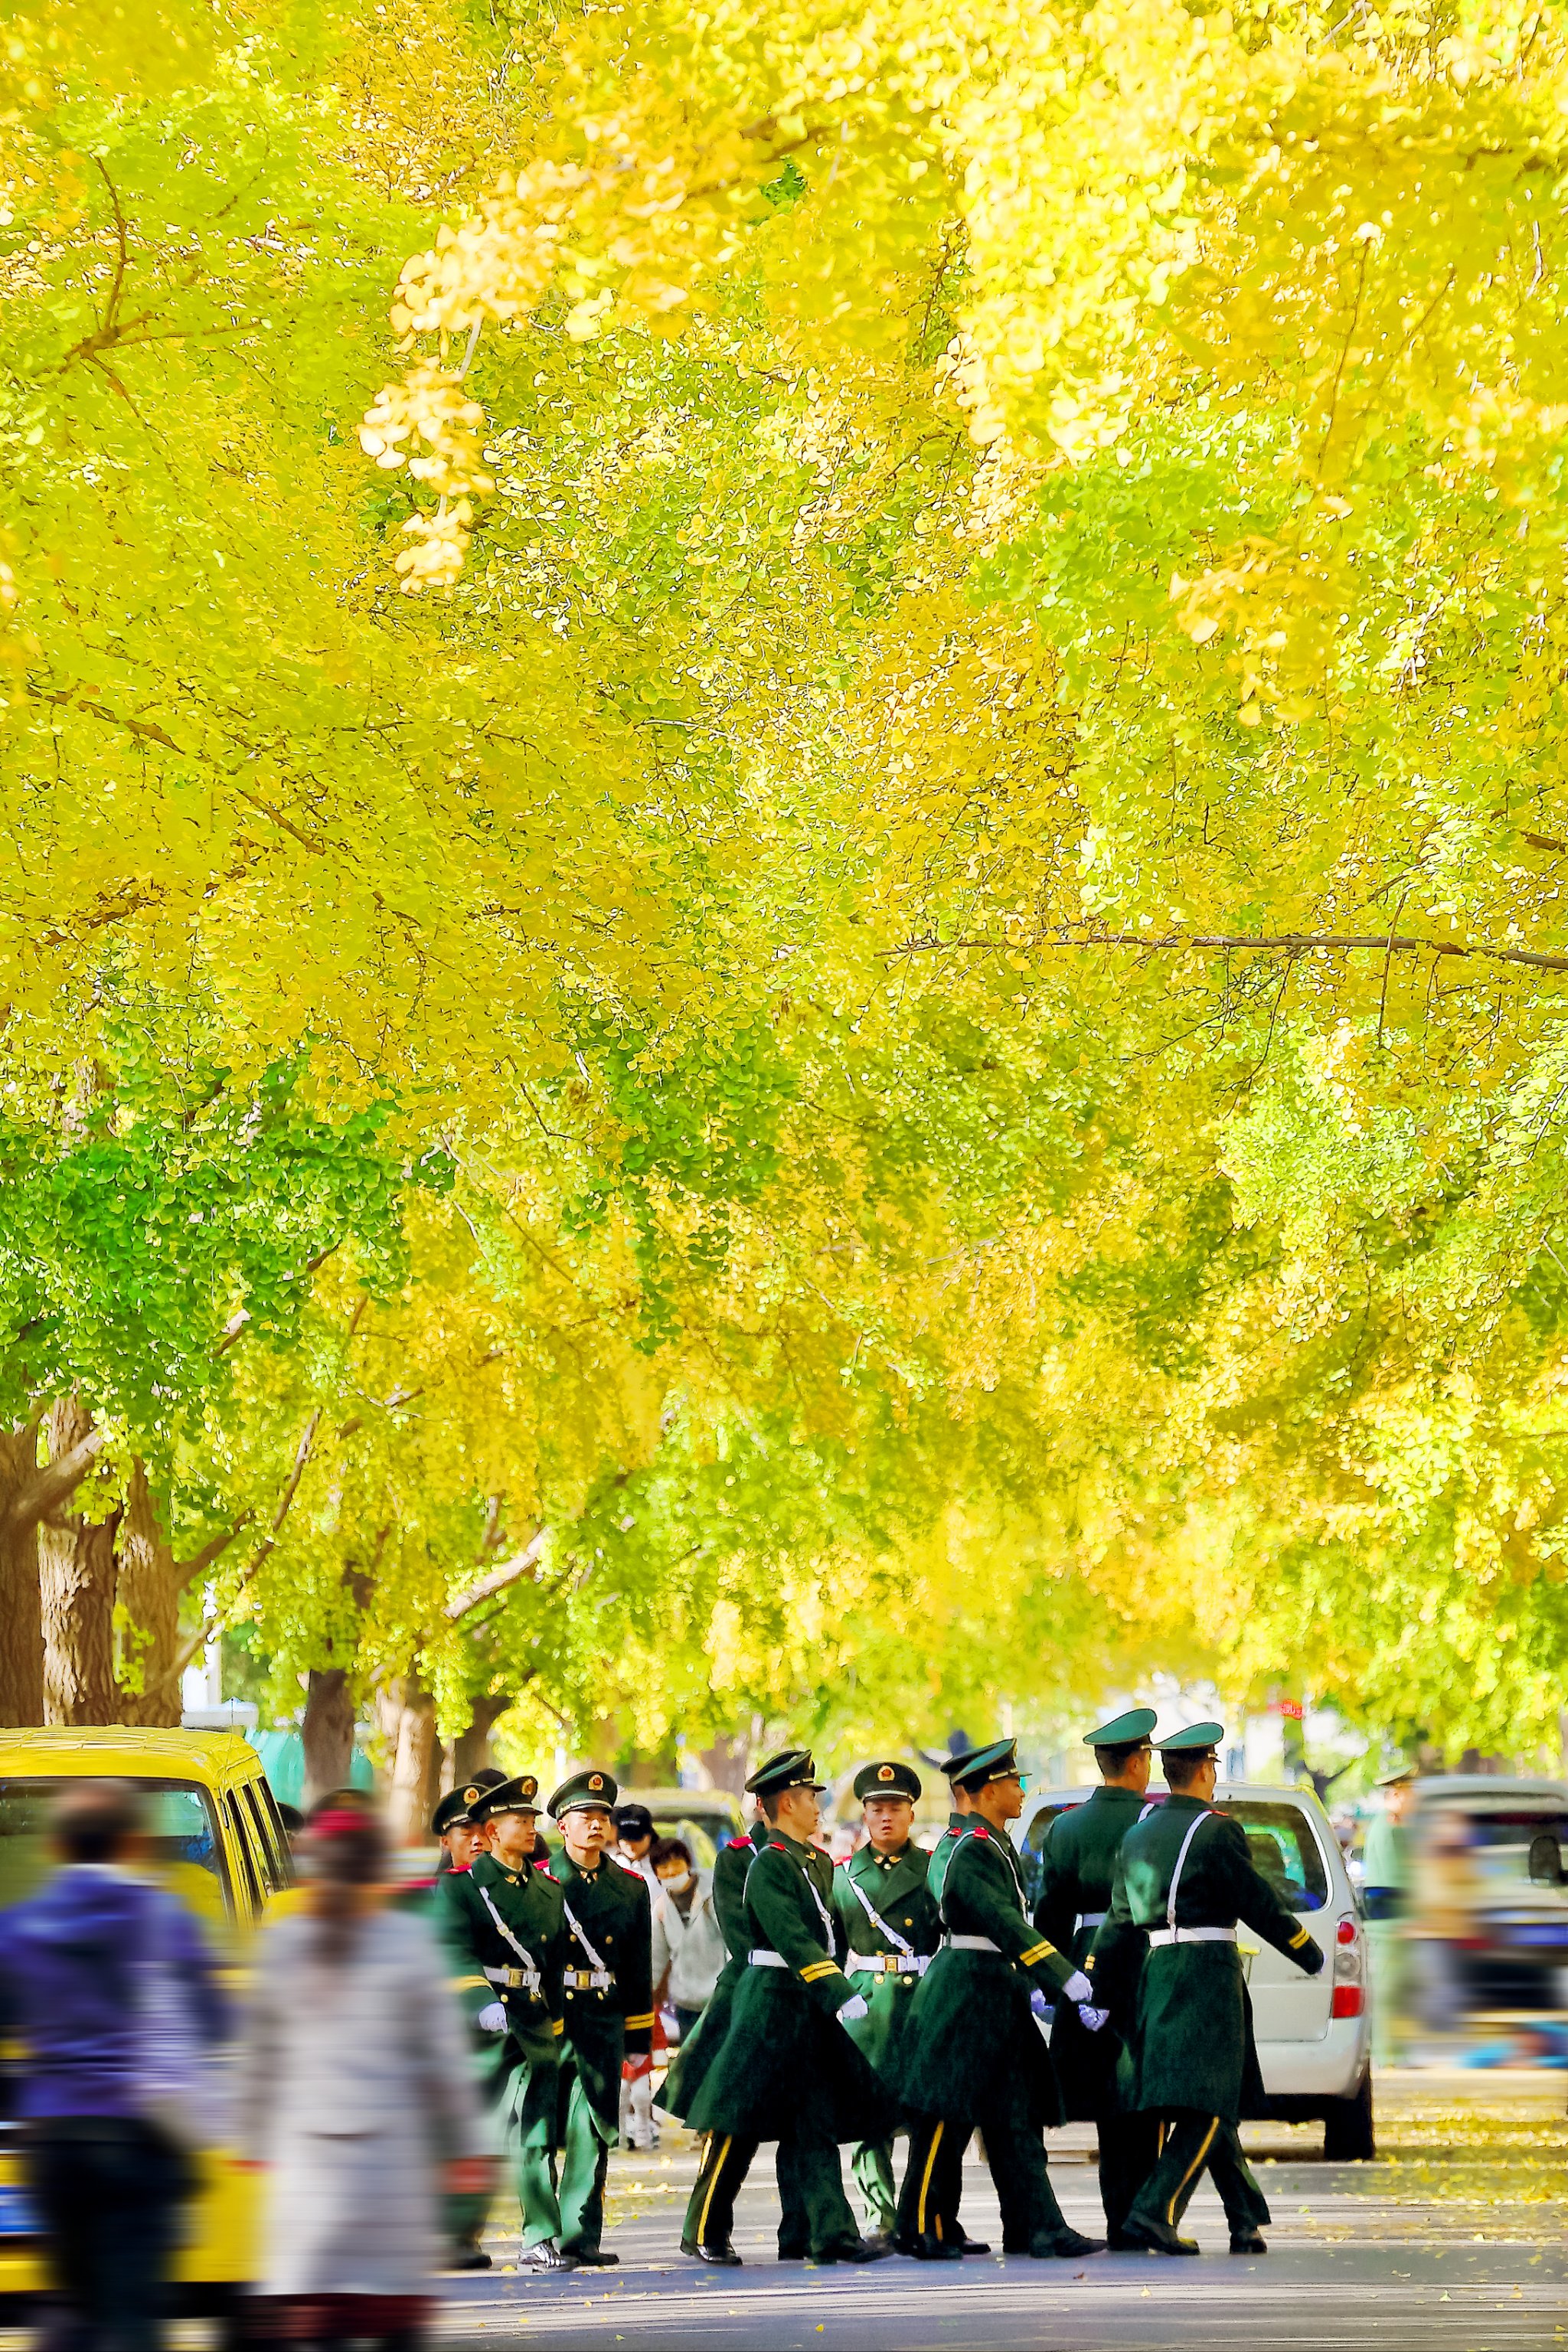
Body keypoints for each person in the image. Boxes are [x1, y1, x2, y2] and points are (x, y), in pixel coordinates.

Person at [241, 1802, 492, 2348]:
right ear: (376, 1871)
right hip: (390, 2175)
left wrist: (251, 2141)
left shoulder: (283, 1944)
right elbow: (444, 2063)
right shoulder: (407, 1943)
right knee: (389, 2326)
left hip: (306, 2173)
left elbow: (261, 2060)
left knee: (320, 2322)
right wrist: (467, 2151)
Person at [0, 1779, 227, 2352]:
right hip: (137, 2140)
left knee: (75, 2295)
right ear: (131, 1843)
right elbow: (214, 2021)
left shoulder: (21, 1926)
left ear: (57, 1847)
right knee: (129, 2308)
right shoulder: (163, 1919)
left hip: (54, 2142)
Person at [1087, 1722, 1325, 2256]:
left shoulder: (1138, 1834)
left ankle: (1244, 2221)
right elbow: (1258, 1901)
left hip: (1157, 1973)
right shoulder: (1217, 1831)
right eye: (1214, 1766)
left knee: (1206, 2099)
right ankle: (1153, 2212)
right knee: (1211, 2103)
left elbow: (1118, 1921)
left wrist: (1092, 1981)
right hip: (1208, 1977)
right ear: (1204, 1770)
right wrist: (1307, 1950)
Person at [679, 1749, 893, 2268]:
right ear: (781, 1804)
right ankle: (703, 2227)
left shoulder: (815, 1860)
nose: (817, 1805)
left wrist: (831, 1988)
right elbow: (785, 1937)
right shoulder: (761, 1863)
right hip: (767, 2001)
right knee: (739, 2121)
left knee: (814, 2121)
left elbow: (829, 1934)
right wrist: (839, 1990)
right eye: (806, 1798)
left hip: (807, 2005)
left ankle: (827, 2232)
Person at [894, 1737, 1102, 2263]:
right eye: (1013, 1782)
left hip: (991, 1990)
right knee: (946, 2116)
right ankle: (918, 2225)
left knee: (1015, 2117)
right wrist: (1062, 1975)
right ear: (986, 1792)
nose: (1020, 1789)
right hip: (967, 1993)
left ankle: (1038, 2226)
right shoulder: (970, 1850)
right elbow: (1003, 1921)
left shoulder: (984, 1842)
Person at [434, 1774, 575, 2271]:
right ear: (493, 1832)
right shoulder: (464, 1889)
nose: (531, 1827)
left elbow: (553, 1965)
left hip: (533, 2025)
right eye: (521, 1821)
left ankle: (539, 2237)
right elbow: (453, 1952)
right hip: (483, 2030)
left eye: (532, 1819)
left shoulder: (548, 1889)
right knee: (481, 2138)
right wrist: (480, 2001)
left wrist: (556, 2028)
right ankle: (456, 2235)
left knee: (536, 2133)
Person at [1033, 1708, 1162, 2246]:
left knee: (1106, 2100)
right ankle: (1138, 2216)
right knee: (1139, 2099)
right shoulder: (1152, 1823)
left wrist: (1055, 1981)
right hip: (1139, 1962)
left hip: (1081, 1965)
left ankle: (1117, 2216)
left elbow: (1049, 1914)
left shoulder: (1064, 1825)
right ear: (1137, 1763)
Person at [830, 1761, 943, 2249]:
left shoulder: (932, 1868)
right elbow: (831, 1947)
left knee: (925, 2111)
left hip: (919, 1998)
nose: (886, 1817)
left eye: (895, 1807)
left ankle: (924, 2215)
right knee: (868, 2115)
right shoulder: (842, 1877)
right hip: (867, 2002)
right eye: (877, 1808)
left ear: (911, 1812)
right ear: (864, 1815)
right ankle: (881, 2214)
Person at [544, 1770, 654, 2265]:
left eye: (602, 1816)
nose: (595, 1824)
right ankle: (541, 2236)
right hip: (550, 2017)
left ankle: (581, 2237)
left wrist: (637, 2036)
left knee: (592, 2128)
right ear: (562, 1826)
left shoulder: (629, 1888)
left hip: (604, 2017)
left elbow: (638, 1964)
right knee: (541, 2131)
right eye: (584, 1816)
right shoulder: (541, 1881)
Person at [420, 1775, 505, 2270]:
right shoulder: (427, 1896)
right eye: (464, 1830)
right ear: (445, 1840)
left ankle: (464, 2233)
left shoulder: (509, 1892)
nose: (476, 1838)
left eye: (483, 1828)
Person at [1362, 1769, 1415, 2066]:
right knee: (1391, 1991)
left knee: (1395, 1989)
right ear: (1395, 1795)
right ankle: (1389, 2055)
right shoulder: (1391, 1828)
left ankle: (1393, 2052)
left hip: (1391, 1922)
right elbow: (1401, 1880)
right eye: (1409, 1793)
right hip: (1393, 1923)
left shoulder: (1389, 1826)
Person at [649, 1837, 725, 2047]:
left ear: (688, 1863)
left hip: (718, 1996)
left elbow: (731, 1944)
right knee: (691, 2061)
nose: (671, 1871)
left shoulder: (713, 1893)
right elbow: (657, 1957)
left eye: (676, 1863)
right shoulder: (661, 1908)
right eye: (663, 1866)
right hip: (685, 2001)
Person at [612, 1804, 658, 1887]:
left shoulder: (664, 1864)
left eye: (635, 1839)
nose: (630, 1846)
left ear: (649, 1836)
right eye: (625, 1839)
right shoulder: (608, 1864)